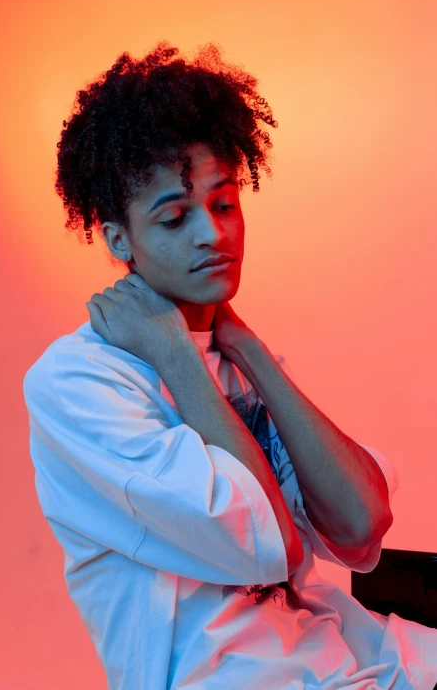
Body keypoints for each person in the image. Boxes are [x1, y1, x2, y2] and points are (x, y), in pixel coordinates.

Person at [23, 41, 437, 689]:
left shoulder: (234, 353)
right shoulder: (77, 384)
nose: (212, 234)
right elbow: (266, 541)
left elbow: (361, 523)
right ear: (118, 238)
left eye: (223, 203)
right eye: (175, 217)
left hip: (361, 655)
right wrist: (171, 353)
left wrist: (245, 347)